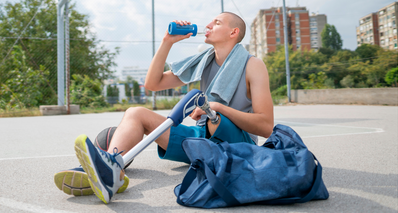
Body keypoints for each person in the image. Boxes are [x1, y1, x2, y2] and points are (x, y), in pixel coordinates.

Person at [58, 12, 274, 204]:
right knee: (136, 112)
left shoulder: (252, 64)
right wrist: (167, 42)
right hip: (204, 140)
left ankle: (107, 168)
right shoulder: (204, 61)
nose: (208, 25)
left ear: (233, 32)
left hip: (237, 147)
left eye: (216, 23)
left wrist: (214, 107)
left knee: (213, 119)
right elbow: (153, 84)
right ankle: (113, 170)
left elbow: (265, 126)